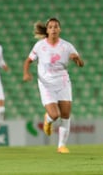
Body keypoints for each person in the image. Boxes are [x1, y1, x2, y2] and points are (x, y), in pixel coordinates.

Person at [23, 18, 84, 153]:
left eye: (56, 27)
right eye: (50, 27)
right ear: (47, 30)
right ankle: (48, 119)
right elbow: (28, 61)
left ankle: (61, 146)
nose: (53, 29)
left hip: (63, 83)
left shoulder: (67, 46)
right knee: (54, 114)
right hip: (46, 84)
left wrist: (77, 59)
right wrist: (26, 73)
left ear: (59, 29)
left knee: (66, 114)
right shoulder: (40, 46)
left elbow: (81, 64)